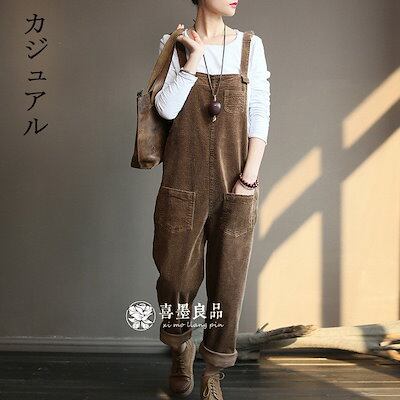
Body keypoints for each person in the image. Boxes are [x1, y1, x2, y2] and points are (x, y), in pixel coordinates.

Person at [152, 0, 271, 398]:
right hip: (181, 184)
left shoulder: (251, 46)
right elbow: (165, 109)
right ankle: (181, 347)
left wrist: (248, 179)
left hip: (234, 185)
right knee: (174, 278)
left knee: (228, 283)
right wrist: (192, 58)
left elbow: (259, 112)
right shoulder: (174, 43)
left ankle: (213, 373)